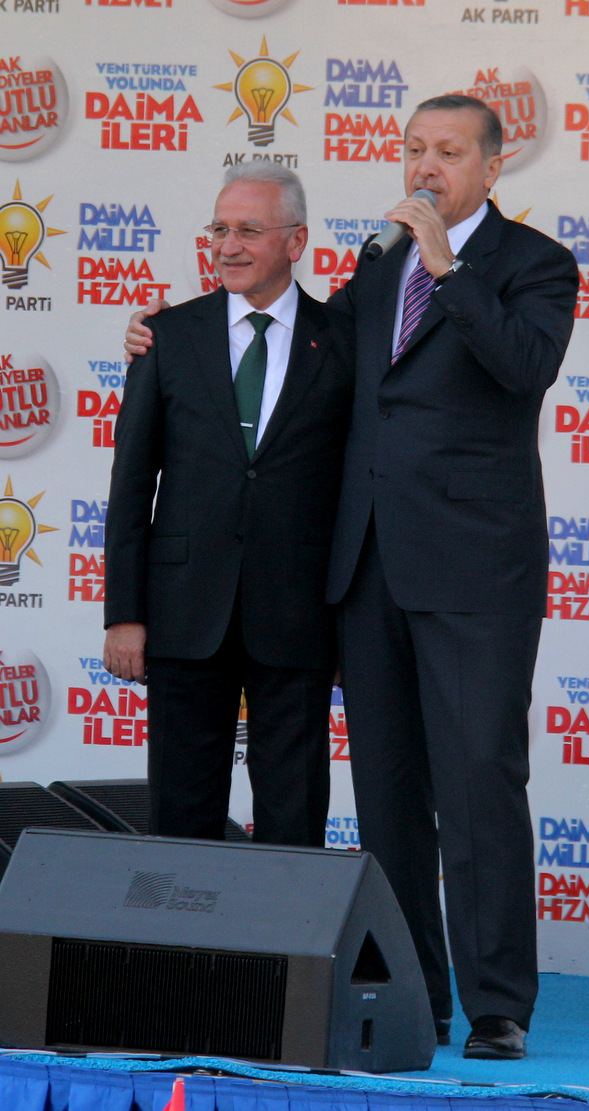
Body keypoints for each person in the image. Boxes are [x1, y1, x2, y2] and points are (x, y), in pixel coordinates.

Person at [123, 95, 578, 1059]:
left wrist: (450, 268)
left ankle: (498, 1003)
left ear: (493, 168)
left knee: (479, 781)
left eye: (448, 151)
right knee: (388, 795)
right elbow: (307, 355)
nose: (425, 166)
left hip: (473, 571)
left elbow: (524, 367)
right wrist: (179, 336)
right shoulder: (378, 265)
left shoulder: (534, 264)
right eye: (414, 148)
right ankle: (418, 990)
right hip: (366, 569)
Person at [104, 162, 352, 850]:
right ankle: (184, 929)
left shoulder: (344, 341)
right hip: (184, 610)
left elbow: (359, 489)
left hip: (300, 614)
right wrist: (124, 613)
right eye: (219, 229)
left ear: (296, 241)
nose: (228, 246)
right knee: (182, 814)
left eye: (249, 230)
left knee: (294, 817)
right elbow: (131, 483)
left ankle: (286, 929)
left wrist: (352, 624)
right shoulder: (166, 335)